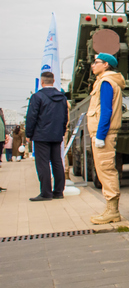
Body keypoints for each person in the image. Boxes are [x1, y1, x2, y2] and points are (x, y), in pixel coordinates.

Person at [87, 53, 127, 224]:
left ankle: (112, 211)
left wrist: (101, 135)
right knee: (104, 170)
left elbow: (106, 111)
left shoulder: (106, 82)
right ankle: (110, 209)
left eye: (96, 63)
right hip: (102, 133)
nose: (92, 65)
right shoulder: (105, 81)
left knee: (106, 170)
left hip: (104, 134)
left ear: (106, 65)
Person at [25, 71, 68, 201]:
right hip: (56, 134)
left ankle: (46, 193)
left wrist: (28, 134)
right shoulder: (62, 97)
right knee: (57, 162)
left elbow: (31, 117)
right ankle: (59, 192)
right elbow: (64, 117)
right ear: (53, 81)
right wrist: (61, 131)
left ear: (42, 82)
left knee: (43, 163)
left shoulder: (37, 97)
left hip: (41, 135)